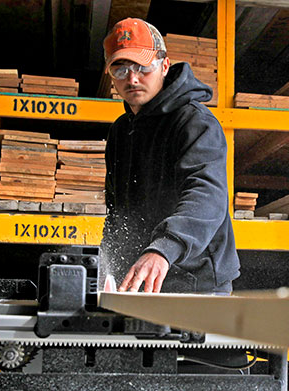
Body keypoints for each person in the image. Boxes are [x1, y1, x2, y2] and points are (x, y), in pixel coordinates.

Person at [100, 18, 240, 295]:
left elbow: (206, 194)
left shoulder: (195, 123)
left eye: (143, 66)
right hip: (143, 278)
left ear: (164, 65)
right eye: (121, 69)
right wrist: (106, 264)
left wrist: (163, 249)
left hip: (196, 280)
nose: (133, 78)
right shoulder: (120, 131)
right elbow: (118, 212)